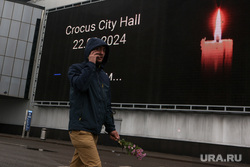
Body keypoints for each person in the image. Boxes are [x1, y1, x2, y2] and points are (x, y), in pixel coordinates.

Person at [68, 37, 120, 167]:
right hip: (80, 130)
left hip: (93, 131)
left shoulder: (104, 77)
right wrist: (90, 65)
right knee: (95, 165)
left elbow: (106, 105)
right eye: (97, 49)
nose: (101, 53)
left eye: (103, 50)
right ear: (89, 51)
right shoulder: (76, 69)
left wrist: (111, 128)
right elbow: (81, 85)